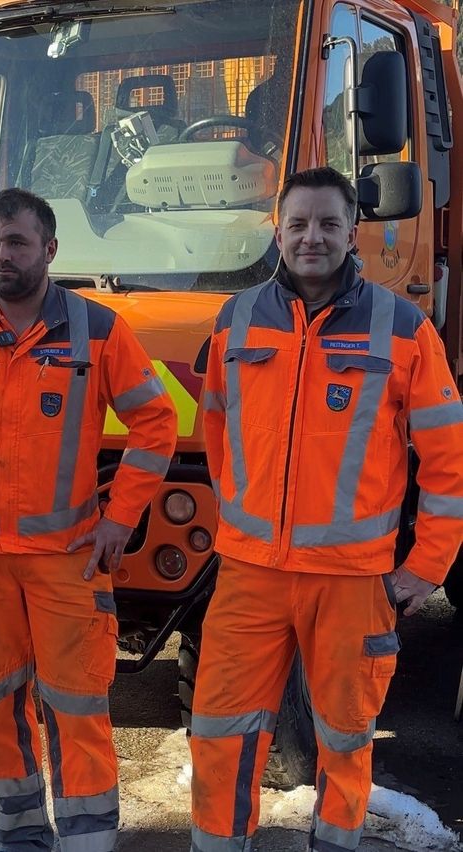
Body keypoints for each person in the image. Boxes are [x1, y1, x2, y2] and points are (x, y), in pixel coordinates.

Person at [0, 188, 177, 852]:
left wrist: (120, 519)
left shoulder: (98, 330)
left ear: (49, 249)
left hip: (68, 558)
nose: (2, 255)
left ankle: (87, 840)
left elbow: (156, 421)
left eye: (17, 242)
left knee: (78, 709)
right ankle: (19, 835)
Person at [192, 166, 463, 851]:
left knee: (345, 741)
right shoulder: (237, 318)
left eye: (328, 224)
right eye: (299, 223)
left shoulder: (403, 328)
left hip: (352, 581)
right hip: (249, 575)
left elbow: (448, 461)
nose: (312, 237)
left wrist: (424, 568)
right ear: (277, 232)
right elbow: (216, 434)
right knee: (222, 735)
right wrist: (245, 521)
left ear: (353, 233)